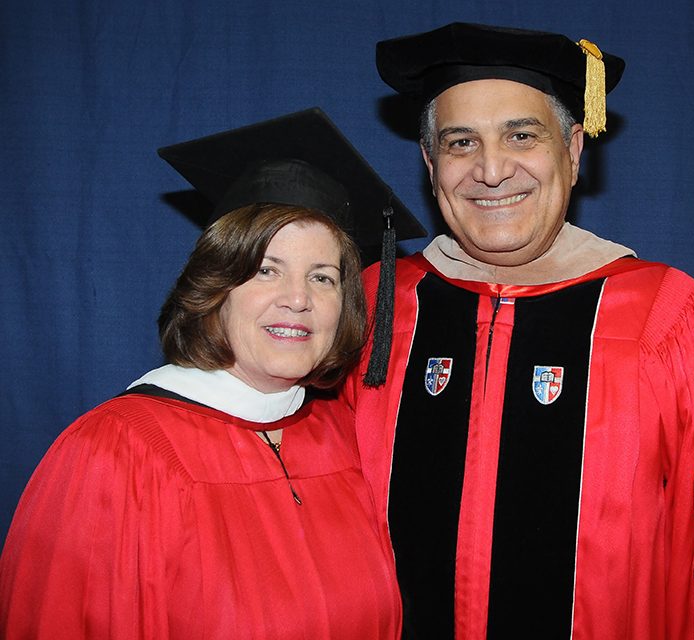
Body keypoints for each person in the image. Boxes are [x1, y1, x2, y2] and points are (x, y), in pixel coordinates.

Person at [344, 23, 694, 639]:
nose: (491, 170)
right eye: (461, 142)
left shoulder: (666, 315)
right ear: (430, 162)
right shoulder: (376, 303)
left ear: (573, 150)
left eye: (521, 135)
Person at [0, 108, 423, 639]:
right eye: (266, 269)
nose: (298, 299)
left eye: (323, 277)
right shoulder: (114, 455)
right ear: (216, 285)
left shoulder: (344, 437)